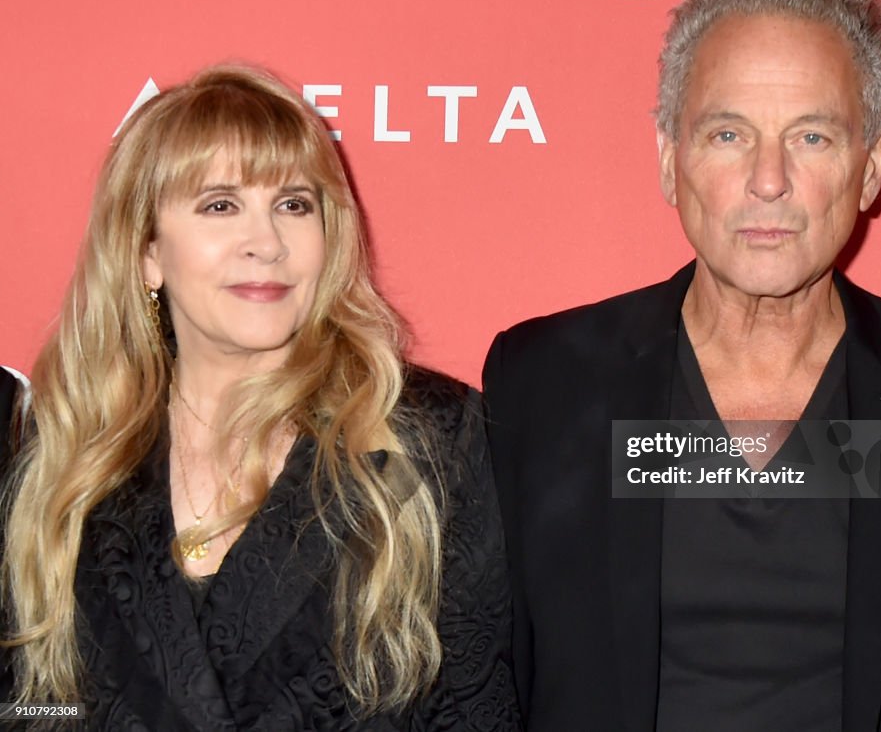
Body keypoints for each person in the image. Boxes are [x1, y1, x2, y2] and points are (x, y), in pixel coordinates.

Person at [483, 0, 881, 731]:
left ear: (872, 167)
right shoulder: (545, 385)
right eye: (729, 134)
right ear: (671, 161)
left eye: (812, 138)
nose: (768, 180)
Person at [0, 66, 520, 730]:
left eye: (293, 204)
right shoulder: (69, 447)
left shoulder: (429, 438)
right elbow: (31, 702)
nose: (267, 243)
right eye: (221, 205)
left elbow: (477, 710)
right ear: (146, 253)